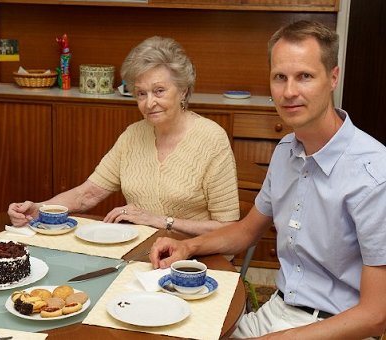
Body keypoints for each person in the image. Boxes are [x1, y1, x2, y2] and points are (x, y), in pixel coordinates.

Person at [149, 21, 386, 339]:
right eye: (280, 77)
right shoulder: (286, 150)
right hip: (278, 310)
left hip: (339, 327)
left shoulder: (375, 174)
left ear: (332, 77)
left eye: (304, 76)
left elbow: (375, 316)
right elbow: (246, 231)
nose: (289, 92)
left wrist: (286, 337)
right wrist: (188, 245)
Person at [8, 36, 240, 235]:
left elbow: (228, 227)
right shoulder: (133, 135)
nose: (149, 103)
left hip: (196, 261)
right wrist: (39, 209)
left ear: (183, 90)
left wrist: (161, 221)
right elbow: (87, 194)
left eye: (159, 91)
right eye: (141, 93)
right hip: (141, 253)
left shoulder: (211, 139)